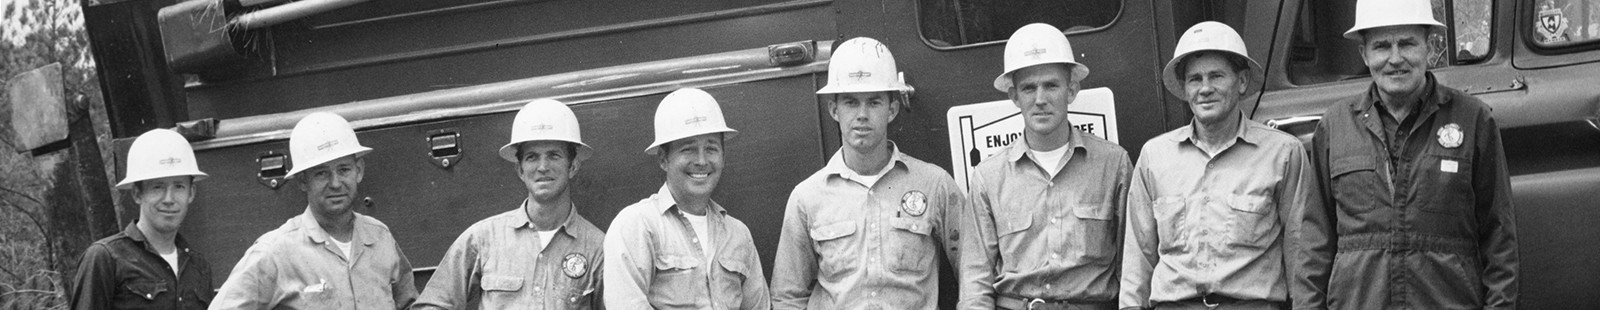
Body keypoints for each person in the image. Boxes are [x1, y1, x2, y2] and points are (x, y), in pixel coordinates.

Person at [1307, 0, 1518, 308]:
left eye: (1407, 43)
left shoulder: (1474, 121)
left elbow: (1500, 238)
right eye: (1381, 46)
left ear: (1429, 48)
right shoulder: (1335, 126)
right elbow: (1316, 242)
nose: (1395, 58)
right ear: (1363, 54)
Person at [1119, 21, 1319, 310]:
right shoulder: (1155, 156)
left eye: (1216, 76)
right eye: (1194, 79)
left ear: (1241, 81)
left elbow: (1300, 248)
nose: (1205, 89)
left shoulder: (1283, 153)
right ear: (1184, 89)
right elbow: (1138, 254)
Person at [770, 37, 965, 310]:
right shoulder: (807, 198)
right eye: (851, 102)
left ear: (892, 109)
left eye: (874, 102)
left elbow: (974, 273)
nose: (862, 115)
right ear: (833, 109)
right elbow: (787, 297)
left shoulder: (934, 184)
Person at [957, 23, 1130, 310]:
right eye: (1028, 88)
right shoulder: (989, 177)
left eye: (1051, 85)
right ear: (1014, 96)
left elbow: (1131, 265)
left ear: (1071, 90)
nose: (1040, 99)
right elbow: (976, 279)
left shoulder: (1113, 164)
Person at [210, 112, 418, 310]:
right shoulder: (275, 252)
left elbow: (409, 303)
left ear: (359, 170)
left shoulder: (380, 237)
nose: (335, 183)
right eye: (321, 173)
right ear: (302, 181)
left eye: (344, 169)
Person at [413, 99, 605, 309]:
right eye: (532, 157)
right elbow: (432, 304)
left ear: (573, 166)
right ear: (520, 170)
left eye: (554, 155)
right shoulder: (483, 238)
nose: (542, 167)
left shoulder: (598, 248)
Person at [602, 88, 769, 309]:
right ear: (663, 159)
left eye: (711, 148)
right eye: (688, 149)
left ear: (723, 156)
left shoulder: (738, 235)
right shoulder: (638, 226)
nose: (701, 160)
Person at [69, 129, 214, 309]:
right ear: (137, 193)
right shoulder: (105, 258)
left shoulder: (199, 267)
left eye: (179, 186)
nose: (169, 199)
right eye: (157, 187)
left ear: (191, 193)